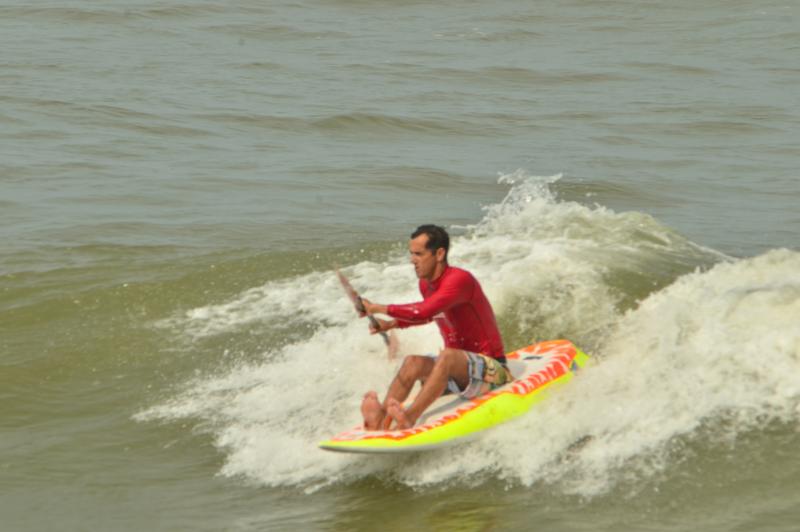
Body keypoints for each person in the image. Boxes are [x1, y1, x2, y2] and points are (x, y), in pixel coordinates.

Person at [359, 224, 512, 430]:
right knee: (412, 362)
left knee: (447, 356)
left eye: (419, 254)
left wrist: (378, 308)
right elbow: (434, 314)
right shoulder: (426, 284)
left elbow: (423, 311)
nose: (412, 260)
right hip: (457, 374)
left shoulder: (459, 280)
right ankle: (380, 418)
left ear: (439, 253)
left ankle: (409, 417)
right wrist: (392, 324)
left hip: (492, 370)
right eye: (412, 254)